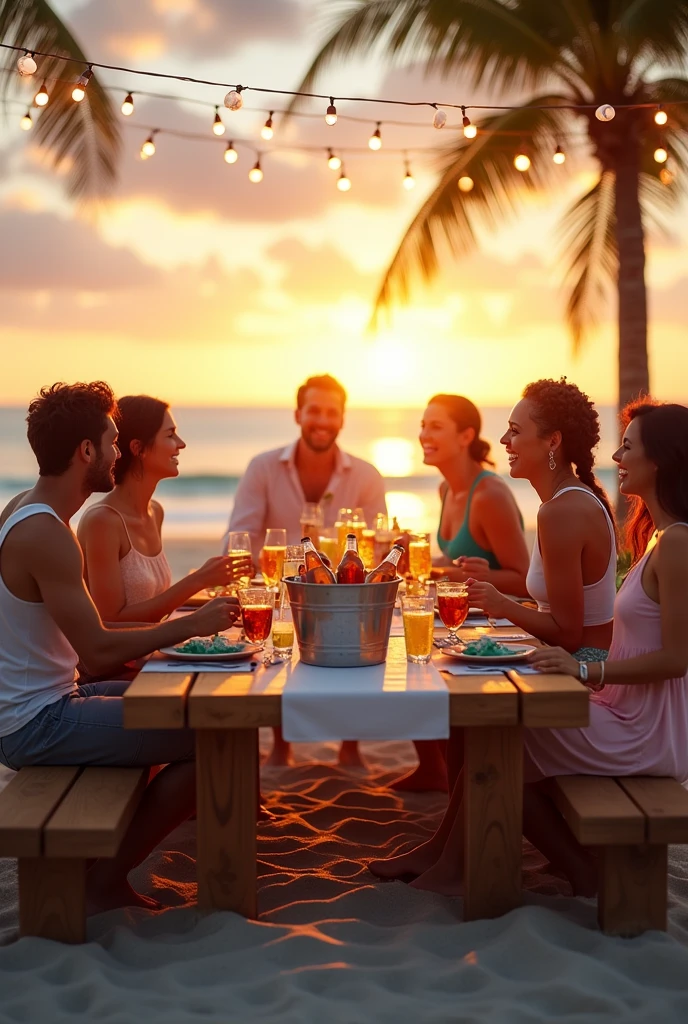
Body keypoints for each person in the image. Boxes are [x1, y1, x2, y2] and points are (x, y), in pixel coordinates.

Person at [0, 382, 239, 914]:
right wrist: (190, 624)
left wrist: (191, 624)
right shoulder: (48, 534)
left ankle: (105, 871)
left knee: (206, 710)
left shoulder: (27, 508)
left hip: (52, 700)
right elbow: (100, 651)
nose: (117, 448)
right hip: (38, 722)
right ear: (86, 451)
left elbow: (92, 636)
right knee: (214, 741)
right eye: (111, 440)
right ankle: (106, 879)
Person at [369, 378, 617, 890]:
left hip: (592, 680)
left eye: (514, 431)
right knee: (467, 717)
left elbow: (571, 633)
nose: (503, 441)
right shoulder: (565, 502)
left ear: (551, 443)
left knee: (489, 739)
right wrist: (495, 586)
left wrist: (504, 603)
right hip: (571, 661)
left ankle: (574, 870)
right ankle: (445, 850)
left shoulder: (563, 510)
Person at [523, 398, 688, 895]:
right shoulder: (658, 537)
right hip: (626, 712)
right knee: (511, 722)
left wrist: (585, 672)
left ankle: (582, 869)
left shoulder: (678, 542)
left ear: (658, 460)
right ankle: (576, 857)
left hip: (648, 732)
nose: (616, 459)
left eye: (628, 448)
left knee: (505, 741)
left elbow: (677, 659)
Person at [225, 373, 387, 768]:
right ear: (298, 414)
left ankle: (351, 745)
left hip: (348, 592)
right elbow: (239, 537)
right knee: (278, 637)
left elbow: (377, 546)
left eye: (332, 412)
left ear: (343, 419)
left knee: (357, 642)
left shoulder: (366, 475)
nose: (322, 420)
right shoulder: (263, 467)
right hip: (281, 586)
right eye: (314, 410)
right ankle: (282, 744)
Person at [391, 395, 531, 795]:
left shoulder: (489, 496)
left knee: (413, 655)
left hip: (494, 627)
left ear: (466, 435)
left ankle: (457, 778)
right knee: (402, 647)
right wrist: (425, 561)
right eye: (422, 424)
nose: (423, 434)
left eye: (436, 426)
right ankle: (432, 765)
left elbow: (525, 580)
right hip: (457, 618)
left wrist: (475, 577)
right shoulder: (444, 489)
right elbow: (459, 561)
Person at [78, 395, 252, 623]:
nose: (181, 444)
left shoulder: (155, 512)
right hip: (125, 659)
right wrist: (198, 580)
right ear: (138, 448)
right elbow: (111, 623)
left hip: (155, 654)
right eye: (170, 435)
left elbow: (155, 606)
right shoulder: (103, 522)